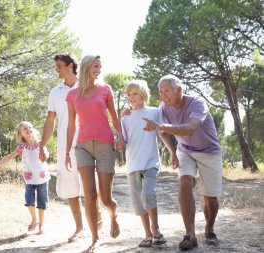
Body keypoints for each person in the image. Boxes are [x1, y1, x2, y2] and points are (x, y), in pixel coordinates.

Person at [142, 75, 223, 250]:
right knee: (184, 182)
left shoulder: (197, 103)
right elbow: (156, 125)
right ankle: (190, 235)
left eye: (167, 91)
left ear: (179, 90)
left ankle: (209, 229)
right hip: (185, 150)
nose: (163, 95)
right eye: (161, 91)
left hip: (209, 152)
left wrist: (161, 126)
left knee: (210, 197)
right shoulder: (163, 107)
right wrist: (173, 152)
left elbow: (191, 128)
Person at [39, 53, 102, 242]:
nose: (56, 69)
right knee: (70, 188)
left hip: (87, 143)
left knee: (91, 188)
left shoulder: (87, 87)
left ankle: (97, 221)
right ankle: (79, 227)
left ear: (70, 66)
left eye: (59, 66)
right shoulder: (55, 92)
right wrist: (42, 145)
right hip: (64, 147)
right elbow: (50, 121)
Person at [65, 55, 124, 253]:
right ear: (86, 67)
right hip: (82, 146)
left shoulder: (105, 90)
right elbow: (71, 124)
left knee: (105, 199)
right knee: (89, 196)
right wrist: (66, 151)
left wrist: (121, 136)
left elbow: (114, 118)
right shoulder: (73, 94)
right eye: (95, 65)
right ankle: (94, 238)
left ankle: (113, 215)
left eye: (100, 66)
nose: (99, 69)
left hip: (105, 144)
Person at [121, 80, 178, 248]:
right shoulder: (126, 117)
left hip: (150, 162)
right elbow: (122, 140)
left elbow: (163, 134)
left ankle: (156, 229)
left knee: (148, 194)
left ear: (144, 94)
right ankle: (147, 234)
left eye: (135, 94)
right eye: (128, 95)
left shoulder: (154, 112)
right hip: (132, 165)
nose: (131, 98)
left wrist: (173, 152)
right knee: (138, 202)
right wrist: (118, 142)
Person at [0, 121, 50, 235]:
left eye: (30, 127)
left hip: (42, 177)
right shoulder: (22, 147)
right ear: (21, 134)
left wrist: (44, 152)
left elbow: (46, 155)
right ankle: (34, 220)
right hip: (29, 179)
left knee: (41, 202)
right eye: (25, 128)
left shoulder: (40, 144)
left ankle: (41, 225)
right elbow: (10, 156)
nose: (28, 129)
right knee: (29, 200)